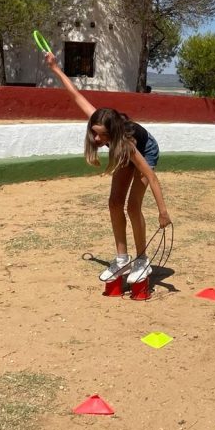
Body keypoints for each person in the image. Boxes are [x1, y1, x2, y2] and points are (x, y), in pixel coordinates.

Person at [43, 52, 171, 285]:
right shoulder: (100, 120)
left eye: (101, 135)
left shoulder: (127, 145)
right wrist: (55, 68)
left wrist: (163, 212)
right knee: (114, 203)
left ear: (112, 132)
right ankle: (122, 259)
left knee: (133, 206)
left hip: (145, 151)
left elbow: (151, 177)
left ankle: (142, 260)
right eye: (94, 133)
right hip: (123, 152)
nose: (96, 139)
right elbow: (75, 95)